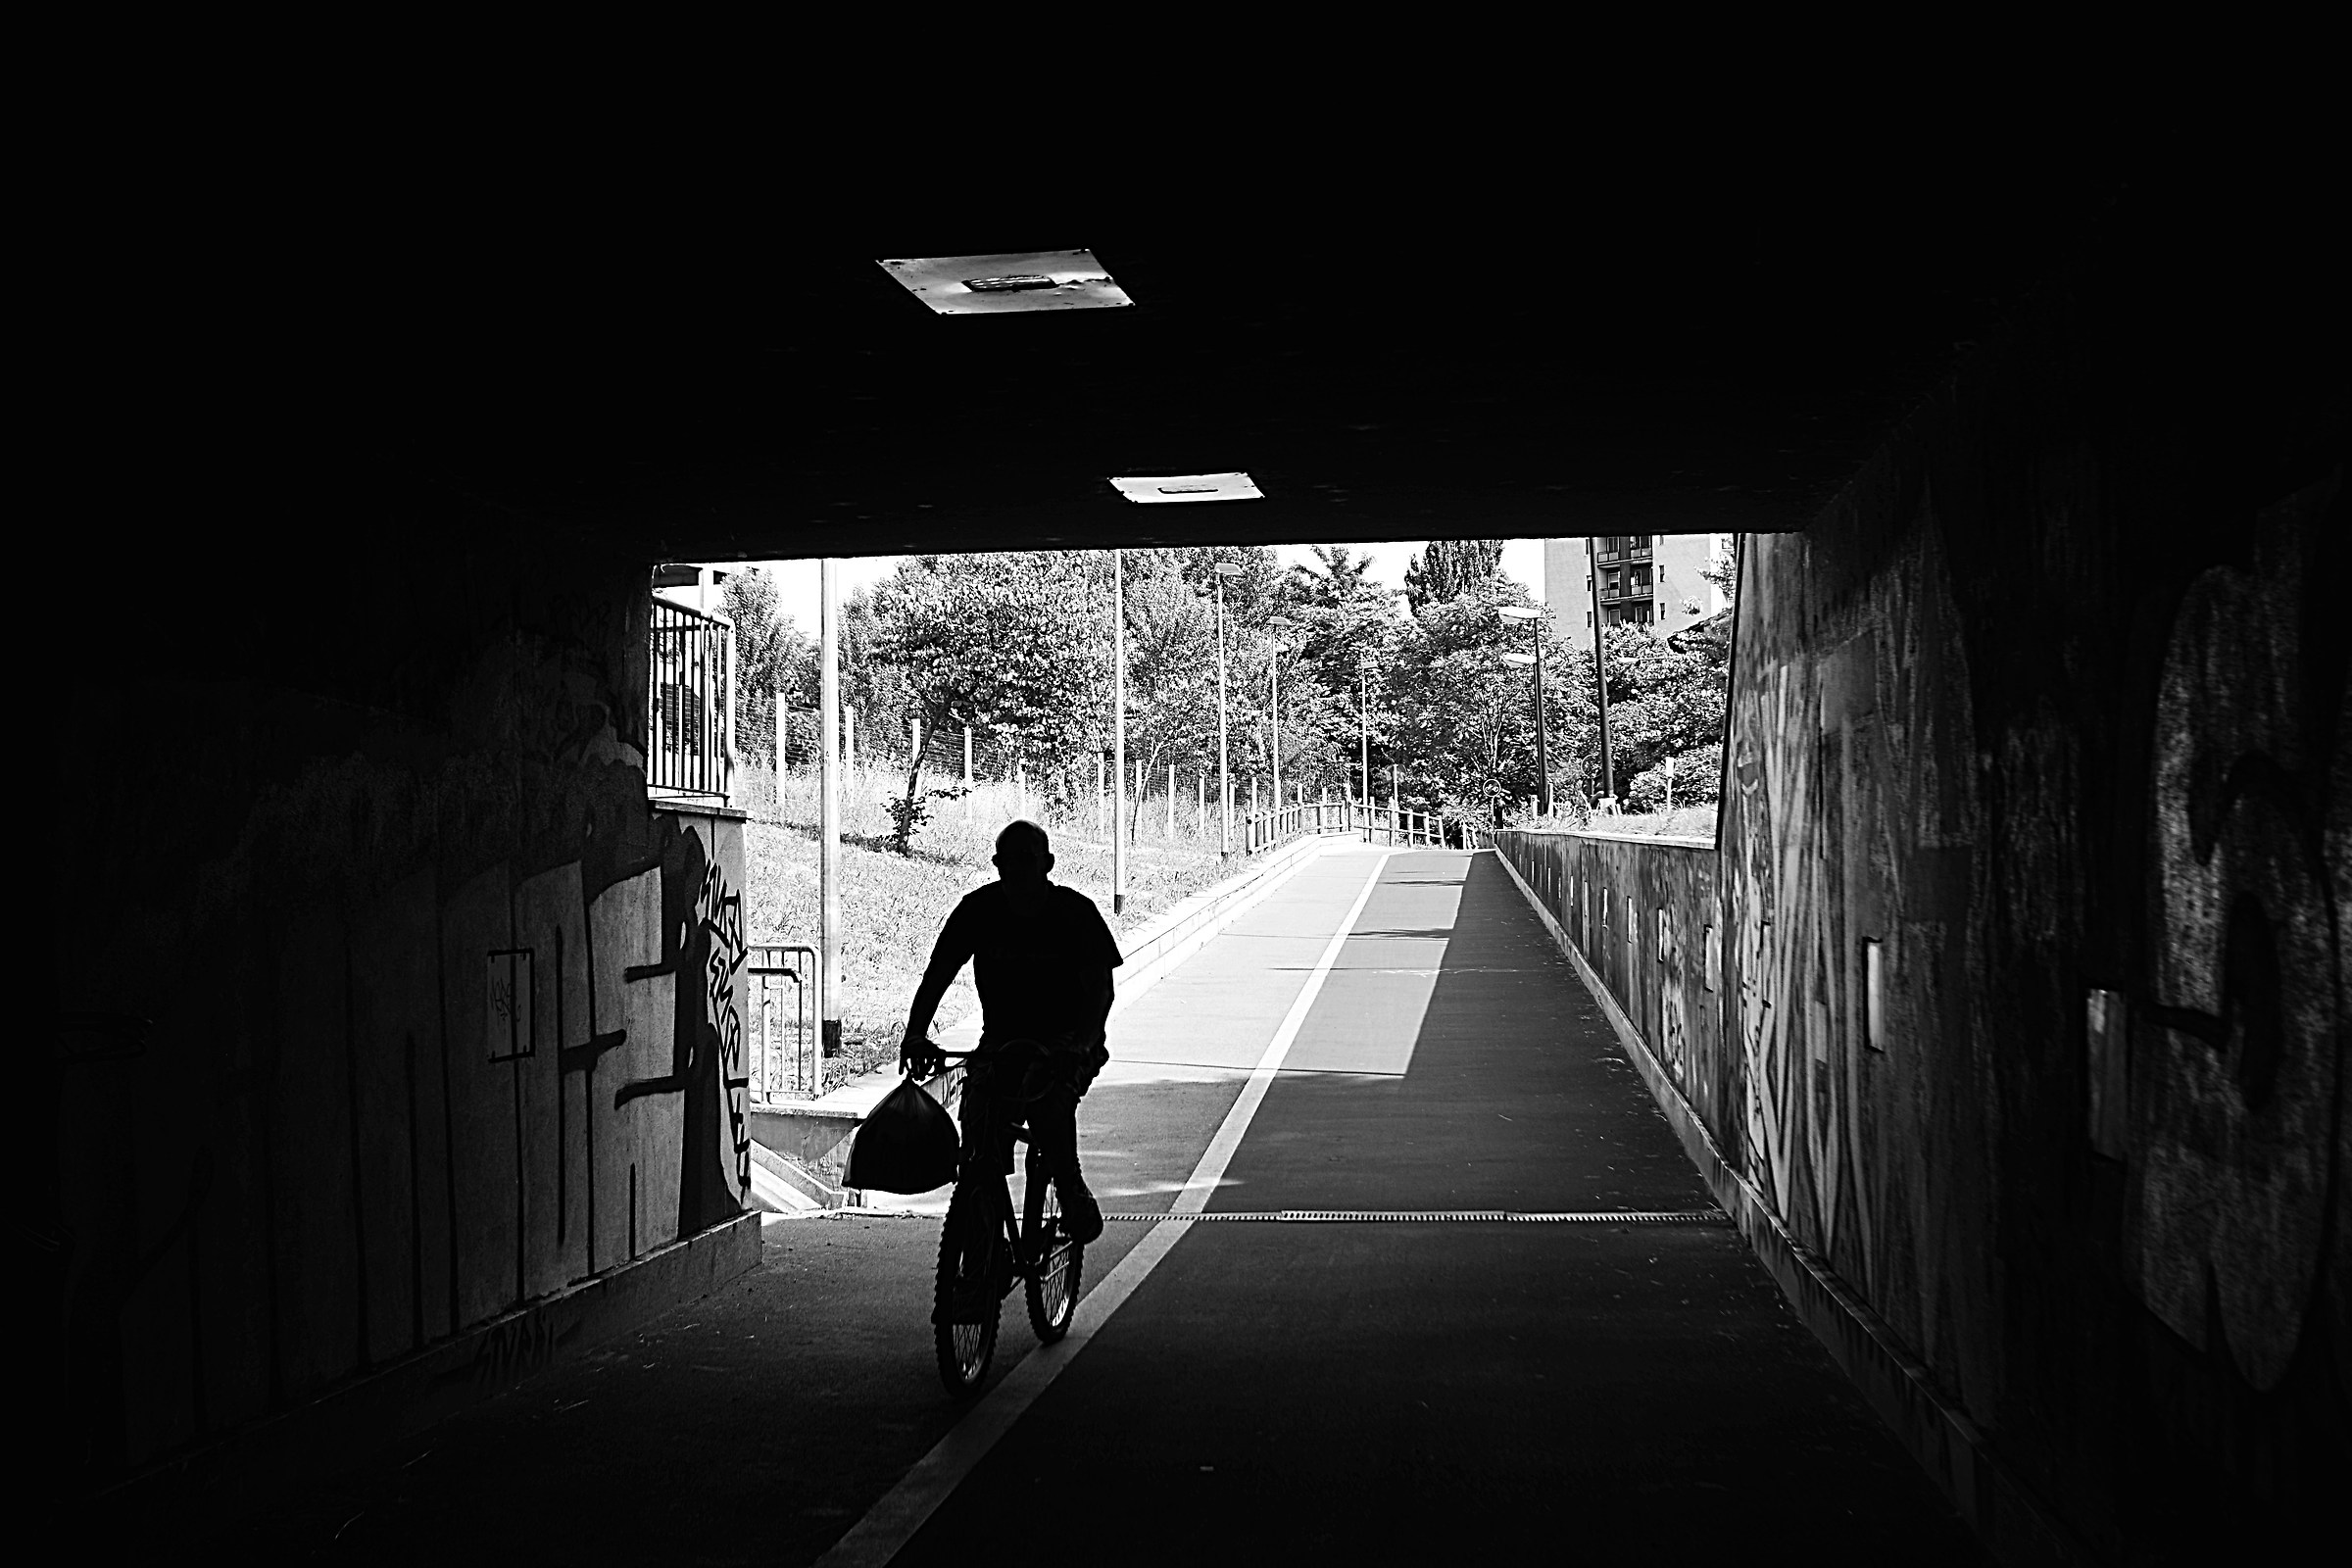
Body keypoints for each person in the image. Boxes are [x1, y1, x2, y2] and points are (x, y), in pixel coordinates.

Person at [899, 819, 1116, 1244]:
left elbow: (1100, 994)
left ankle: (1070, 1188)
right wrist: (915, 1033)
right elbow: (937, 975)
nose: (1016, 872)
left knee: (1048, 1102)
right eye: (1007, 862)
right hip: (1001, 1043)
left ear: (1047, 864)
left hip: (1068, 1041)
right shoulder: (978, 910)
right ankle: (983, 1237)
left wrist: (1080, 1045)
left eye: (1026, 861)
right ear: (996, 865)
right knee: (979, 1126)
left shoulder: (1075, 914)